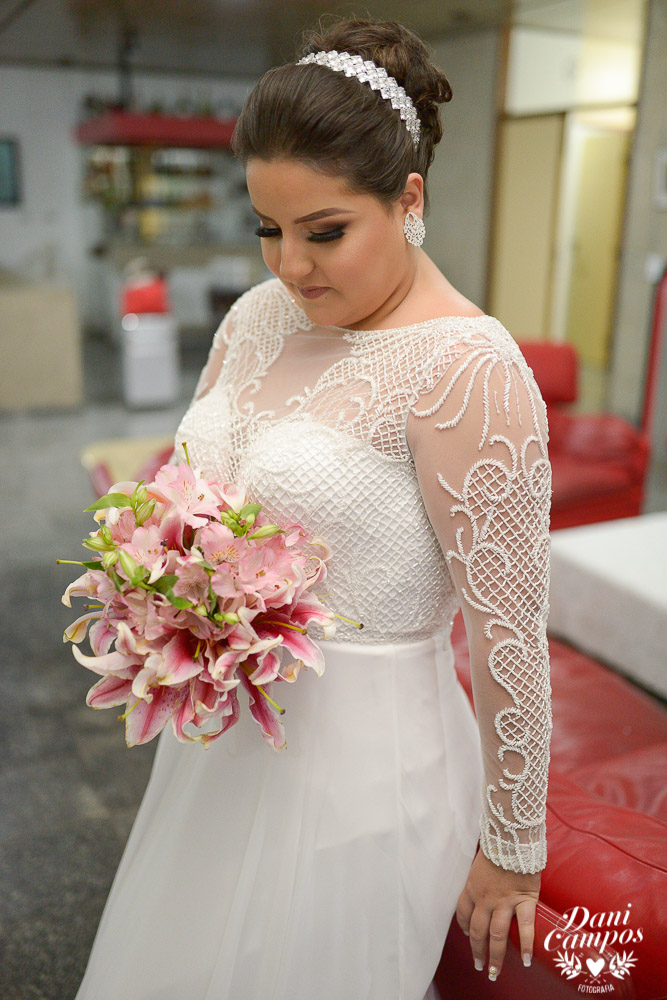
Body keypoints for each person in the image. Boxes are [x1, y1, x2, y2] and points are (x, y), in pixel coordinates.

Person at [74, 15, 553, 1000]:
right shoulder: (257, 317)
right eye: (268, 229)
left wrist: (512, 844)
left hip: (368, 768)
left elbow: (511, 634)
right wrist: (160, 578)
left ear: (408, 199)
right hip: (221, 747)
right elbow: (189, 484)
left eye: (324, 231)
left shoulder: (465, 368)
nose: (290, 266)